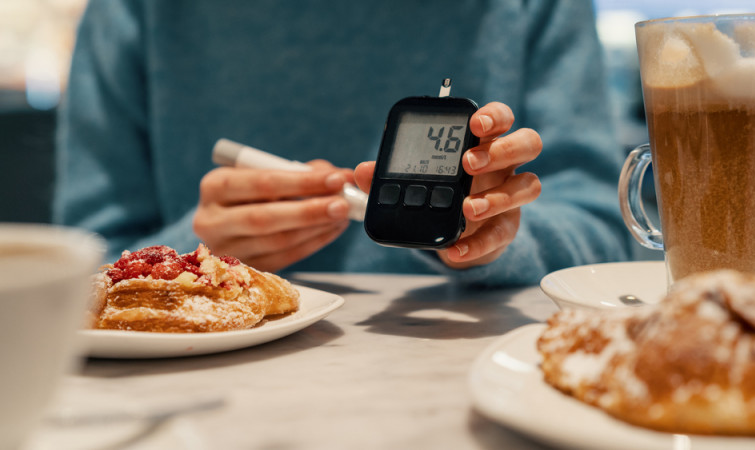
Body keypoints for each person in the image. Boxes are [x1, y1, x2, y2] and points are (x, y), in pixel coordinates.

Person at [53, 0, 630, 287]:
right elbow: (75, 273)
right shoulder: (136, 11)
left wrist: (502, 236)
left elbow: (608, 239)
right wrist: (196, 256)